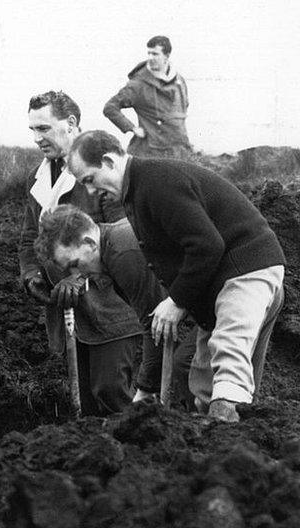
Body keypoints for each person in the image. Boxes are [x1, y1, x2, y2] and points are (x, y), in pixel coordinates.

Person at [67, 130, 286, 422]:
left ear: (108, 161)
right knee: (202, 380)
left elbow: (207, 245)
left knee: (229, 358)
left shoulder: (157, 183)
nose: (91, 192)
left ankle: (231, 445)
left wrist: (177, 301)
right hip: (224, 281)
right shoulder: (136, 191)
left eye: (89, 180)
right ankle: (230, 449)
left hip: (246, 270)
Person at [20, 91, 142, 415]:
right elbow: (30, 236)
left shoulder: (94, 170)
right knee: (87, 398)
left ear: (71, 123)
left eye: (43, 128)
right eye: (32, 130)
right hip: (66, 306)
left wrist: (80, 275)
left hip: (111, 306)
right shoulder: (38, 178)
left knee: (111, 389)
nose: (36, 138)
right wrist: (32, 274)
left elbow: (120, 236)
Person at [34, 204, 199, 405]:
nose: (77, 276)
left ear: (89, 243)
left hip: (222, 291)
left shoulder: (123, 253)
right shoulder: (109, 252)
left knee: (187, 367)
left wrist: (143, 392)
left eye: (75, 265)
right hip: (196, 304)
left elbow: (156, 327)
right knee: (184, 368)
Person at [103, 35, 192, 157]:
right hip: (151, 152)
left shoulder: (179, 81)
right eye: (149, 53)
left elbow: (184, 106)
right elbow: (110, 108)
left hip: (179, 149)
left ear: (166, 56)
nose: (150, 58)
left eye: (155, 54)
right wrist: (132, 128)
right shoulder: (138, 84)